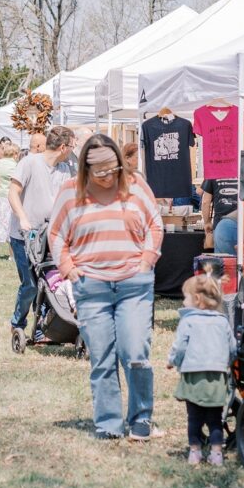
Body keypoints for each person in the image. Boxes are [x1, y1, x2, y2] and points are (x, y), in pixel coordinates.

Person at [49, 133, 164, 440]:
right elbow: (56, 233)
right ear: (86, 169)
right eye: (99, 173)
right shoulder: (70, 191)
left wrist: (147, 261)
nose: (107, 178)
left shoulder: (136, 185)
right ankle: (108, 424)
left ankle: (141, 418)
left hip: (134, 284)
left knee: (135, 352)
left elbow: (155, 224)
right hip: (91, 287)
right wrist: (69, 270)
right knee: (102, 358)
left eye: (112, 171)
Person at [6, 126, 76, 338]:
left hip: (52, 236)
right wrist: (23, 217)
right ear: (63, 147)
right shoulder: (30, 162)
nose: (72, 150)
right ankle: (17, 322)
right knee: (30, 284)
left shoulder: (65, 170)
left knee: (49, 283)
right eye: (72, 146)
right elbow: (13, 192)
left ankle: (43, 327)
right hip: (25, 236)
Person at [167, 275, 234, 466]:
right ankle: (216, 454)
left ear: (197, 299)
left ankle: (195, 452)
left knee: (194, 417)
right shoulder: (223, 321)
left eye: (186, 297)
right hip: (217, 376)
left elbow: (180, 347)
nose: (183, 301)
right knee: (215, 418)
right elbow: (232, 347)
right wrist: (229, 362)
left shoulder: (188, 321)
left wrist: (172, 361)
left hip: (193, 375)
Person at [0, 140, 19, 257]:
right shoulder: (16, 165)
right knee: (11, 225)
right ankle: (11, 254)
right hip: (11, 197)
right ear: (15, 154)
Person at [201, 175, 238, 256]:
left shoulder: (214, 172)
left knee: (223, 261)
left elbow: (205, 202)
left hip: (220, 226)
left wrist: (207, 222)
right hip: (242, 223)